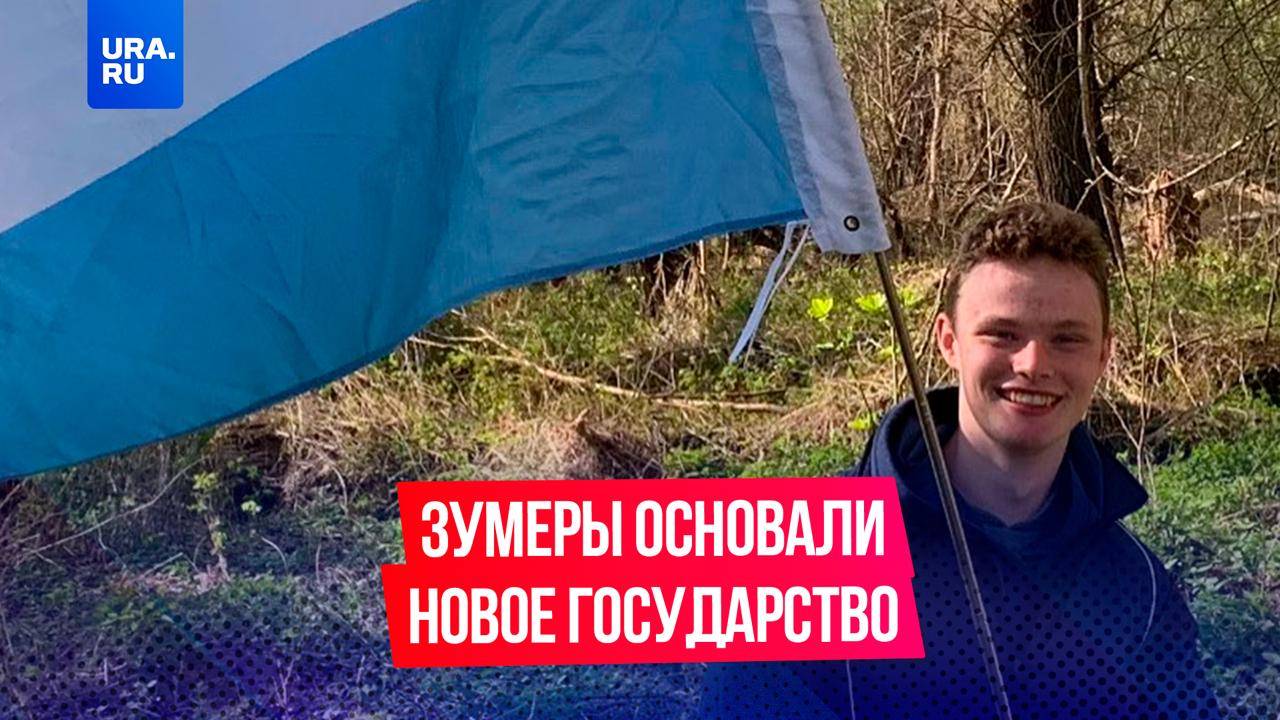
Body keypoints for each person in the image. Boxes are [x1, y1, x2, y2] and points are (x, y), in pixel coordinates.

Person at [699, 202, 1221, 719]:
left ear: (1103, 354)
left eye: (1067, 339)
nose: (1033, 363)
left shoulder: (1137, 590)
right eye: (1002, 334)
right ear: (949, 341)